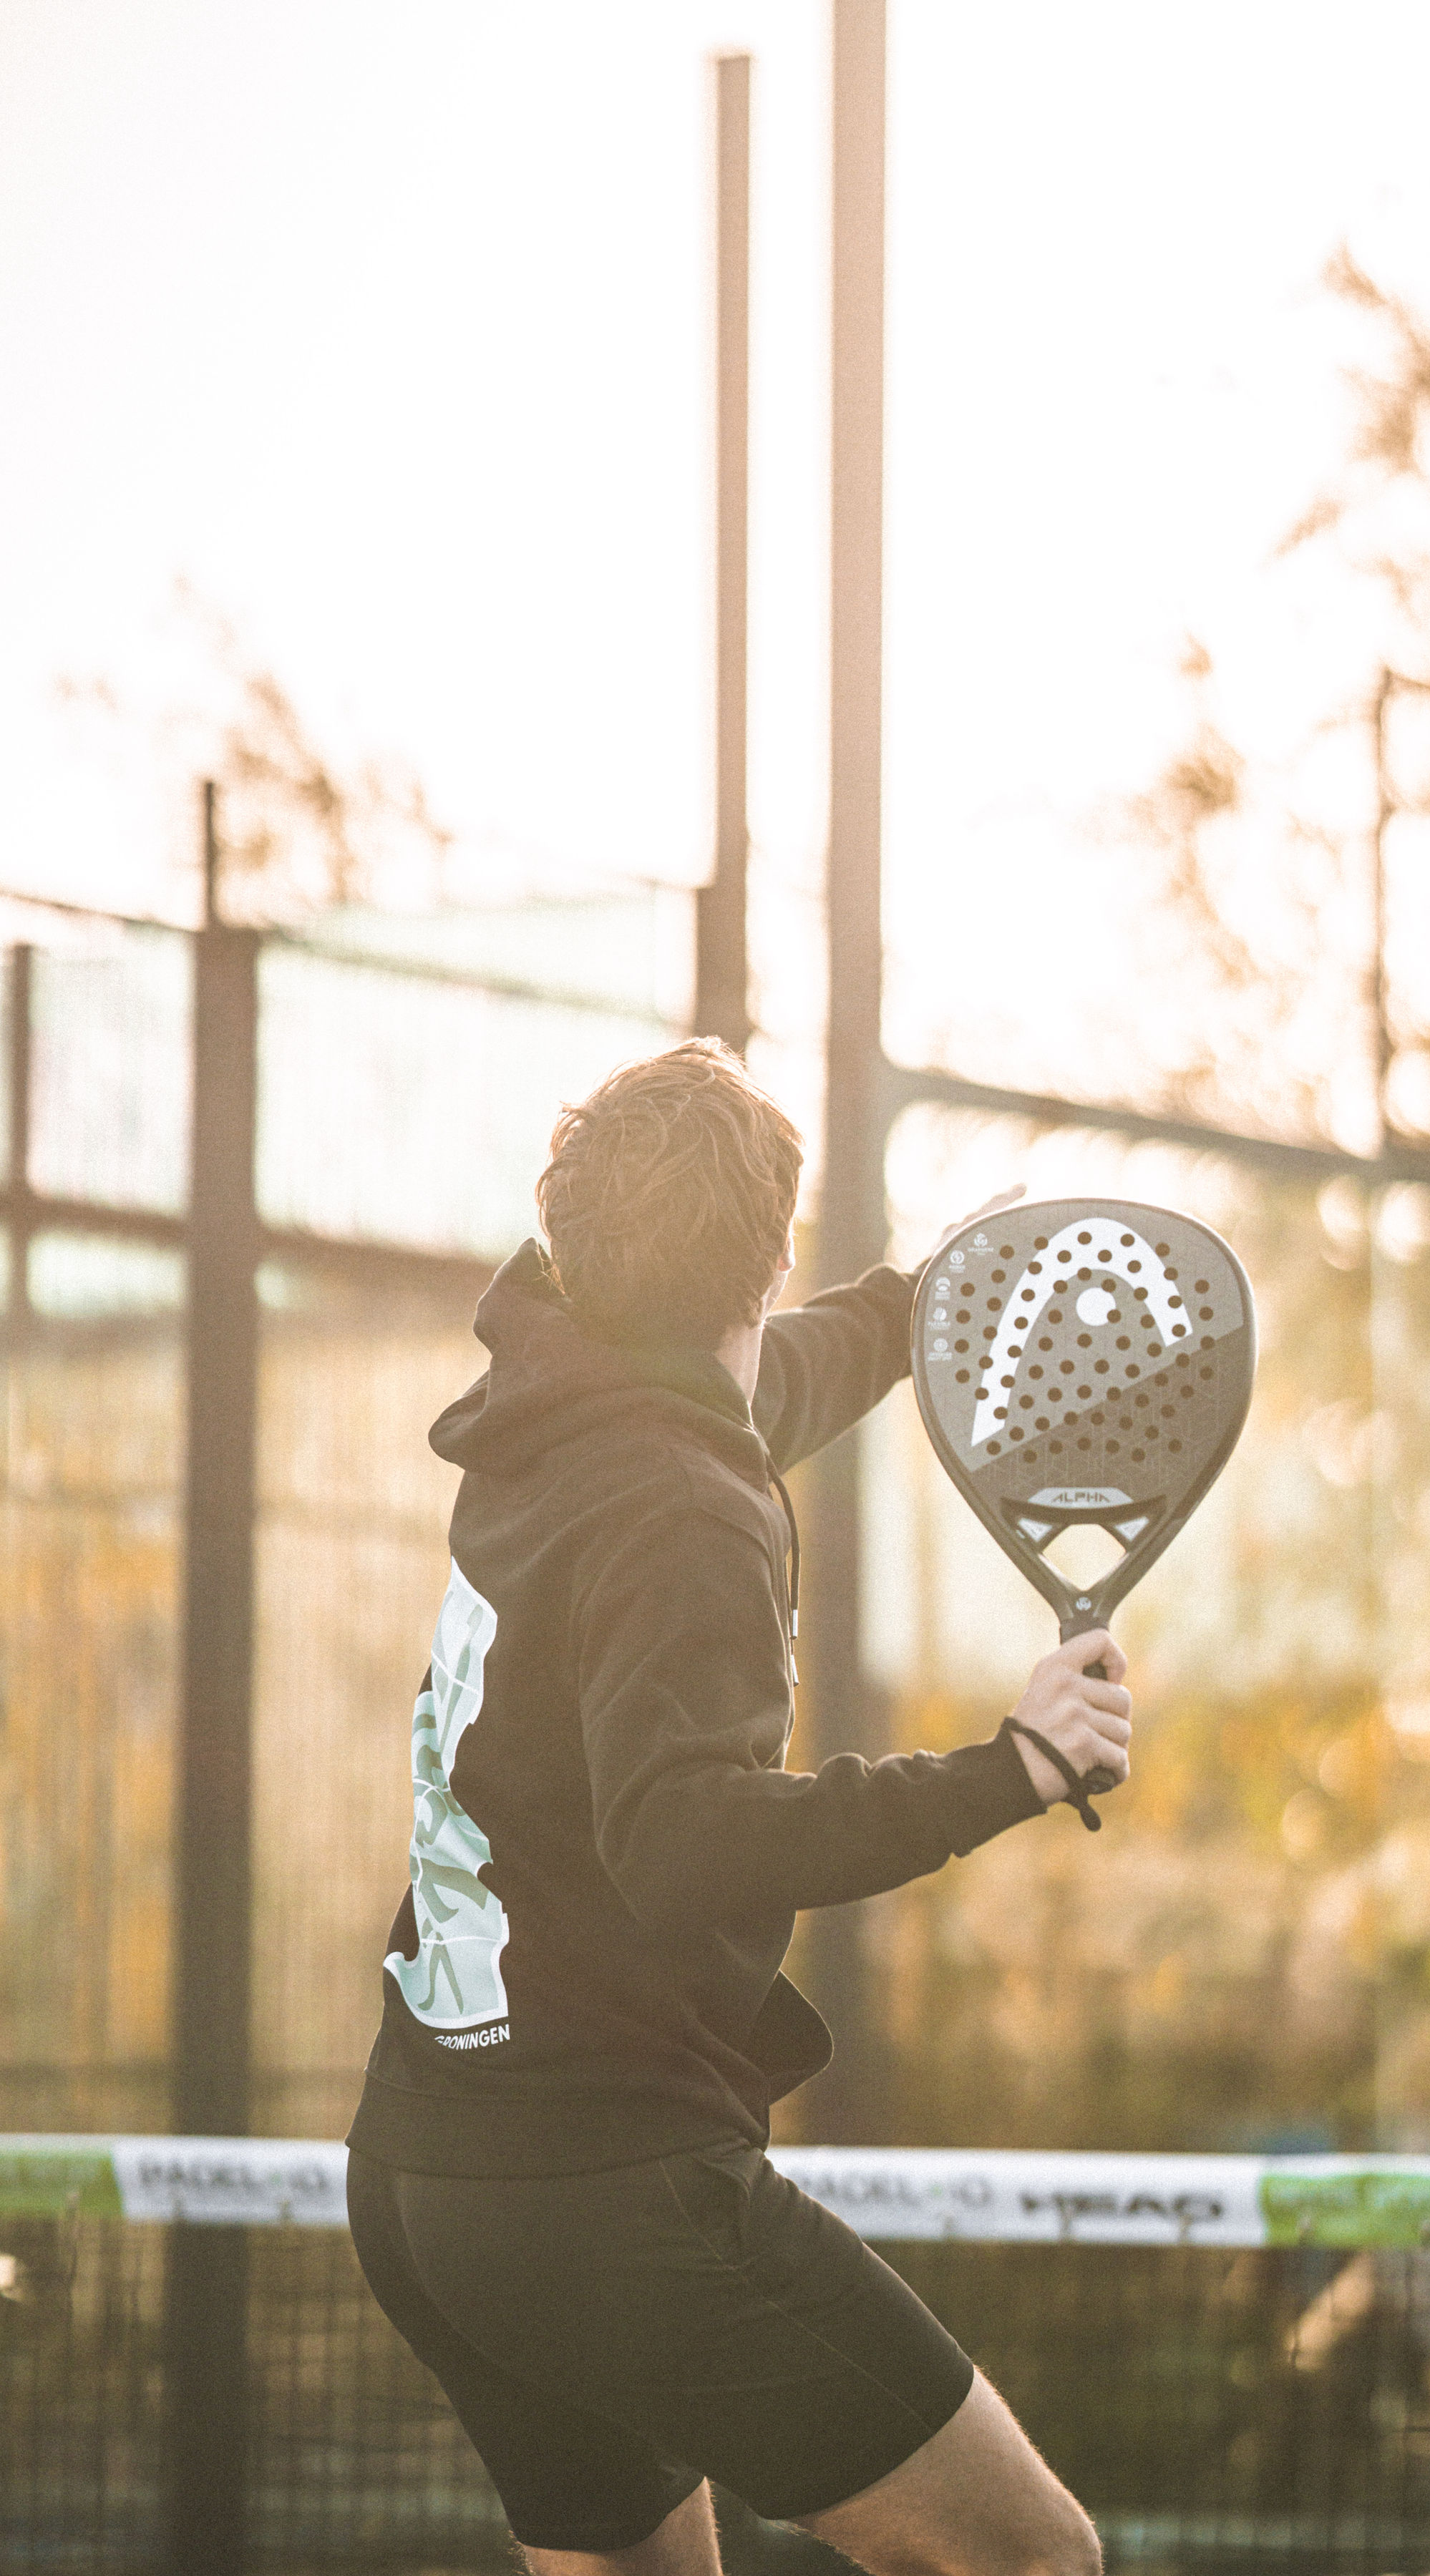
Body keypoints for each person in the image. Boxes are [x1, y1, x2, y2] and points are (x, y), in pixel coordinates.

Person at [346, 1039, 1132, 2576]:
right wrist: (1011, 1771)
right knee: (1034, 2557)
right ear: (769, 1260)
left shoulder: (556, 1418)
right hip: (608, 2186)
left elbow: (758, 1378)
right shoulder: (683, 1505)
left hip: (432, 2184)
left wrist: (915, 1306)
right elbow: (684, 1839)